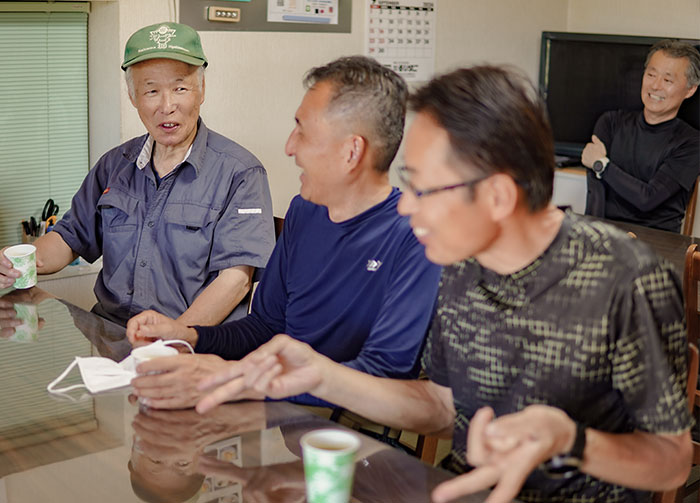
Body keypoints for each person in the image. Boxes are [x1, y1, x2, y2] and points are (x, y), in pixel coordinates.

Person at [194, 66, 693, 503]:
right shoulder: (458, 265)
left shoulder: (624, 277)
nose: (407, 207)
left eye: (425, 188)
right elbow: (440, 405)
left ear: (497, 196)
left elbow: (670, 462)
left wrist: (573, 441)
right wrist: (320, 375)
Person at [126, 56, 442, 409]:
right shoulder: (303, 212)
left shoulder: (416, 240)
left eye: (302, 131)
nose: (290, 147)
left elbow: (383, 376)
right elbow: (264, 327)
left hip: (351, 432)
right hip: (278, 412)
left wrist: (241, 381)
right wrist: (184, 336)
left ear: (352, 151)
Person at [0, 22, 275, 326]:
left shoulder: (241, 172)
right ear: (133, 97)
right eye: (151, 91)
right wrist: (18, 260)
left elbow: (235, 281)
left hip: (193, 349)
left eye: (180, 88)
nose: (167, 105)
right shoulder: (114, 164)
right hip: (111, 339)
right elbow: (70, 237)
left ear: (201, 90)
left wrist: (173, 337)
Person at [583, 39, 700, 233]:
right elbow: (595, 193)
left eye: (668, 80)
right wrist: (593, 239)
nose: (655, 86)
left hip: (658, 241)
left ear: (690, 90)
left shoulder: (691, 142)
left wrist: (601, 165)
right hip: (608, 236)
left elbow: (647, 199)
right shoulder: (610, 122)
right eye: (651, 75)